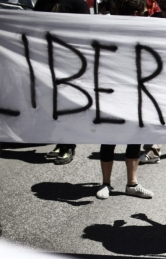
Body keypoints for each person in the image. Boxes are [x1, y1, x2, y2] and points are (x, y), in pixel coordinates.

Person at [96, 0, 154, 200]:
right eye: (143, 13)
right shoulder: (111, 28)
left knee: (133, 137)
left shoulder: (140, 30)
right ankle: (106, 184)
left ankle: (132, 183)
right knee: (109, 138)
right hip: (114, 91)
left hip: (134, 92)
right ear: (136, 13)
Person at [34, 0, 89, 165]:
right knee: (52, 104)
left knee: (67, 104)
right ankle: (60, 142)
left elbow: (86, 29)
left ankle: (68, 145)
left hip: (69, 61)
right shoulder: (42, 3)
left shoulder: (77, 3)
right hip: (47, 59)